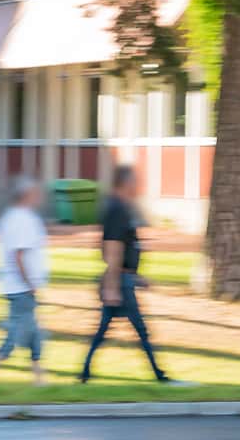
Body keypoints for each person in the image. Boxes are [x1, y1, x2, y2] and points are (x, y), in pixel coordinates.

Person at [80, 165, 188, 385]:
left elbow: (121, 248)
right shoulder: (116, 209)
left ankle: (85, 374)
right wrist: (112, 287)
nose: (137, 186)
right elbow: (112, 249)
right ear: (125, 183)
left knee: (103, 332)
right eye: (134, 182)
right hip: (120, 284)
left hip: (123, 280)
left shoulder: (121, 207)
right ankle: (160, 376)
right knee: (140, 331)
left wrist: (136, 276)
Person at [0, 175, 49, 386]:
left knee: (34, 335)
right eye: (36, 194)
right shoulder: (23, 220)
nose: (39, 197)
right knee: (12, 338)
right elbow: (19, 255)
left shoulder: (11, 217)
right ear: (27, 195)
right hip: (21, 288)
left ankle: (40, 380)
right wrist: (30, 283)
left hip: (16, 287)